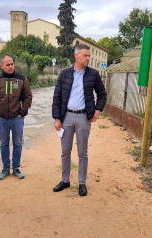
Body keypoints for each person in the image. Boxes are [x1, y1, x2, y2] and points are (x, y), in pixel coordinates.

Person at [51, 44, 107, 197]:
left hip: (83, 117)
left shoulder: (93, 74)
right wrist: (57, 118)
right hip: (67, 117)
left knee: (82, 152)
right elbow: (57, 96)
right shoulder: (64, 74)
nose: (88, 58)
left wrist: (97, 110)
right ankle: (65, 180)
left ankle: (82, 182)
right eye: (85, 55)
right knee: (65, 151)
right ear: (76, 56)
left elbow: (102, 94)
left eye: (89, 56)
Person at [0, 55, 32, 180]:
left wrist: (22, 112)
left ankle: (16, 169)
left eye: (12, 64)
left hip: (17, 118)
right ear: (2, 66)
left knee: (17, 143)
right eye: (7, 65)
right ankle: (5, 168)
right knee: (4, 143)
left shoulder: (22, 79)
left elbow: (28, 96)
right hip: (1, 118)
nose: (11, 66)